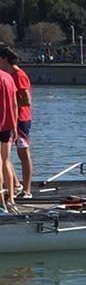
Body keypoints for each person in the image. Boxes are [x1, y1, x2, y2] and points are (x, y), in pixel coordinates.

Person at [0, 47, 31, 200]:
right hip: (9, 118)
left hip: (21, 119)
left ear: (4, 58)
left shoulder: (18, 75)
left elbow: (27, 100)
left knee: (23, 154)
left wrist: (8, 105)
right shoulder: (7, 75)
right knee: (4, 156)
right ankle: (16, 185)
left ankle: (27, 190)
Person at [0, 64, 16, 211]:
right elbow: (15, 104)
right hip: (8, 125)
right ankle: (10, 199)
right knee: (5, 161)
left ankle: (1, 203)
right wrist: (15, 126)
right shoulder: (8, 77)